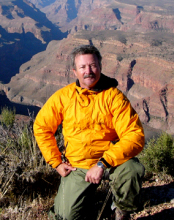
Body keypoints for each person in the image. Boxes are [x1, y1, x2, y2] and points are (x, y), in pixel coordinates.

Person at [33, 45, 145, 220]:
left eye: (92, 66)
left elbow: (134, 135)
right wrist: (56, 162)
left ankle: (120, 211)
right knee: (65, 217)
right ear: (74, 71)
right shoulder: (63, 97)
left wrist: (102, 163)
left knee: (132, 170)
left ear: (100, 67)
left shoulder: (114, 97)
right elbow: (41, 127)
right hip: (77, 165)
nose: (88, 71)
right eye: (82, 67)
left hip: (110, 161)